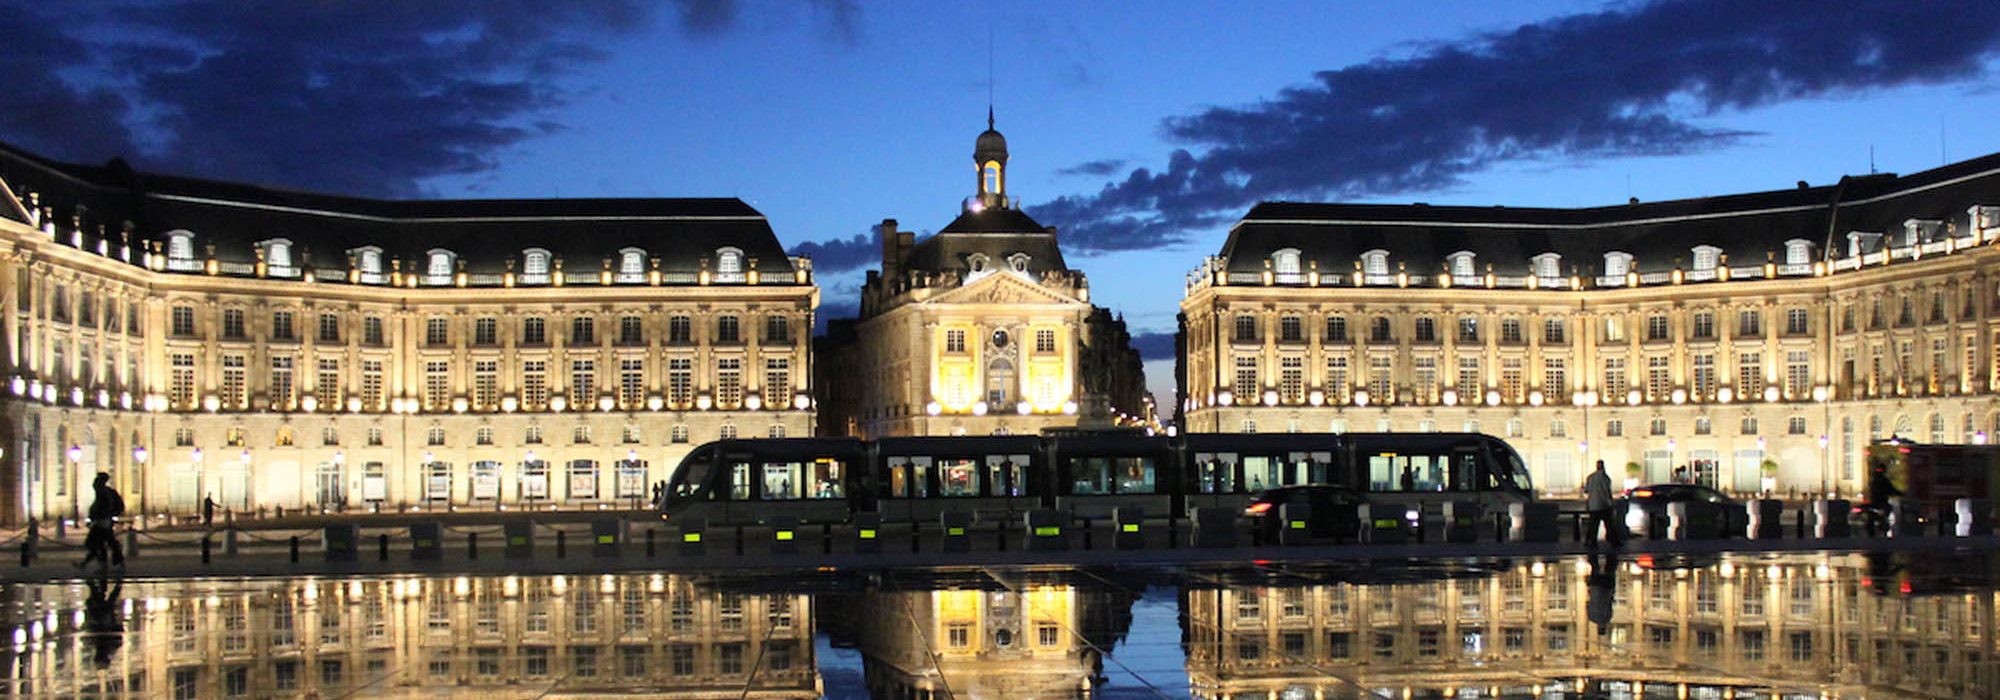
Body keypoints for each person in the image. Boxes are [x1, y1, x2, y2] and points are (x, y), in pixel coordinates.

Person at [77, 473, 125, 571]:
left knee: (93, 543)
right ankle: (107, 563)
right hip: (103, 522)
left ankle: (103, 564)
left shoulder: (104, 493)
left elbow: (100, 509)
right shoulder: (105, 492)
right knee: (103, 543)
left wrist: (95, 518)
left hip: (101, 523)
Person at [1583, 460, 1621, 548]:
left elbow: (1586, 491)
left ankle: (1591, 542)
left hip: (1593, 505)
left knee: (1593, 525)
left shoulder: (1590, 477)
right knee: (1609, 524)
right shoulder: (1605, 478)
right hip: (1604, 504)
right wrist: (1611, 502)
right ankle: (1614, 541)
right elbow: (1608, 492)